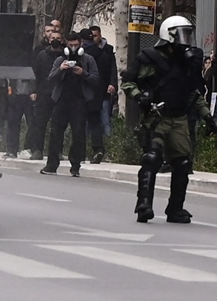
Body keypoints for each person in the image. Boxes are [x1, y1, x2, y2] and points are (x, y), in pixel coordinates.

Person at [126, 15, 204, 224]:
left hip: (179, 118)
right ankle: (144, 205)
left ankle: (175, 208)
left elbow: (193, 91)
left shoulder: (188, 61)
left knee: (182, 163)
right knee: (152, 158)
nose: (185, 38)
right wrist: (140, 96)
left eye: (188, 34)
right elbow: (128, 82)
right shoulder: (149, 58)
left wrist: (206, 114)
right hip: (157, 116)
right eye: (181, 33)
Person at [38, 29, 99, 177]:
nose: (73, 48)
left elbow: (96, 79)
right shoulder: (60, 60)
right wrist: (61, 69)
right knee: (55, 134)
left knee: (78, 134)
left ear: (81, 44)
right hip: (61, 101)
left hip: (79, 102)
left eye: (76, 44)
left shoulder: (88, 60)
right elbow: (50, 78)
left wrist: (83, 73)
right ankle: (51, 165)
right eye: (71, 44)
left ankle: (75, 166)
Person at [23, 20, 65, 162]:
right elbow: (35, 74)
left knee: (58, 126)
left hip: (60, 95)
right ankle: (37, 150)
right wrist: (33, 91)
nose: (55, 40)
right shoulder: (42, 55)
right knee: (39, 124)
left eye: (58, 39)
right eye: (53, 38)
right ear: (48, 39)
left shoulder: (66, 55)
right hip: (43, 93)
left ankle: (57, 151)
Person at [84, 26, 117, 163]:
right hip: (95, 92)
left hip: (99, 92)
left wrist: (112, 84)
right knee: (93, 122)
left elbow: (112, 70)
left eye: (96, 35)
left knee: (102, 121)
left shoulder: (106, 52)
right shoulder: (97, 53)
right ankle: (94, 150)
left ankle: (103, 150)